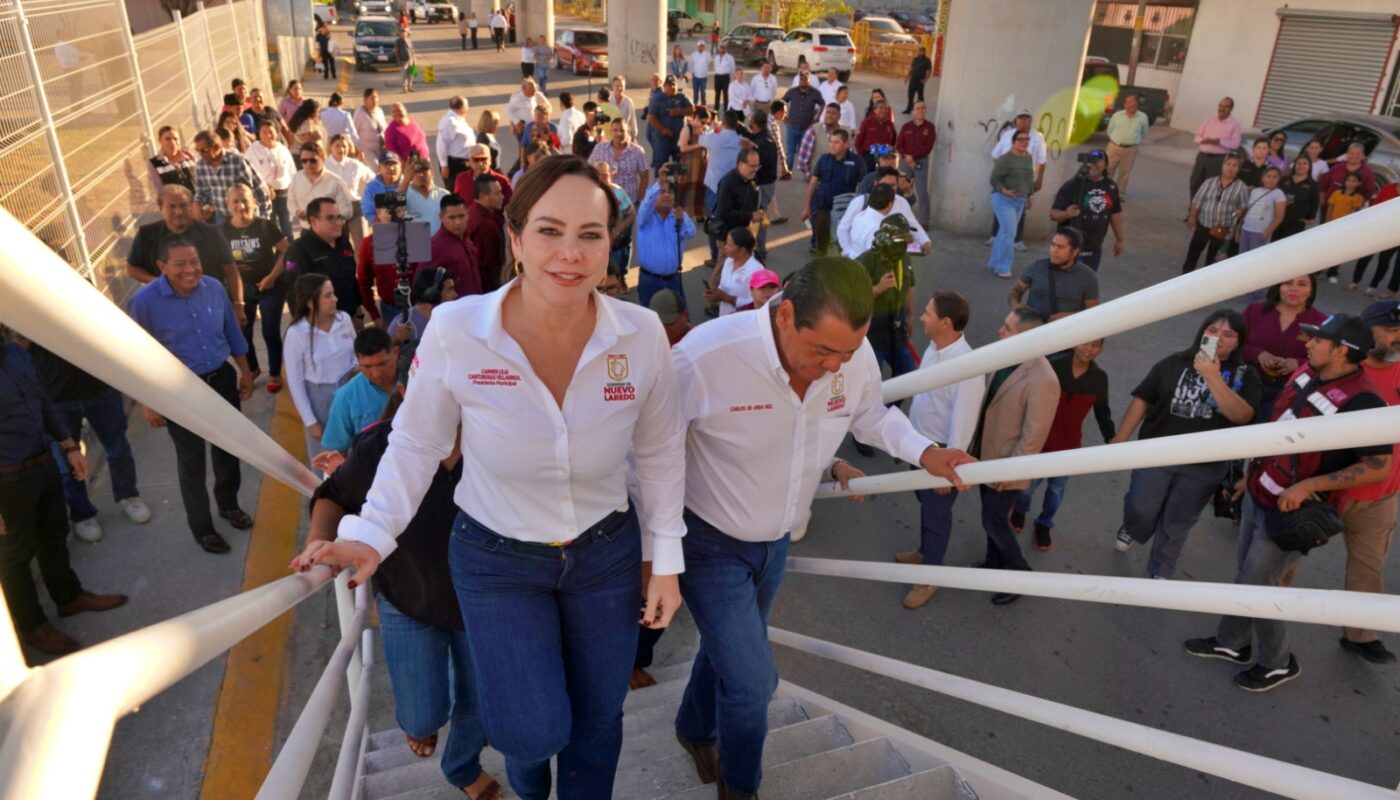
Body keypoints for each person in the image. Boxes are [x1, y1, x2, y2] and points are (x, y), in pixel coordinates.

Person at [292, 156, 686, 800]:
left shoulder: (640, 334)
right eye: (549, 231)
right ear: (515, 239)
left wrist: (663, 558)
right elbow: (416, 441)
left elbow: (662, 451)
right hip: (496, 557)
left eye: (591, 235)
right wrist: (373, 531)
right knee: (532, 733)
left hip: (605, 553)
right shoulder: (457, 330)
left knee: (598, 718)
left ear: (611, 243)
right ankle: (530, 784)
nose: (570, 253)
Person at [668, 258, 974, 798]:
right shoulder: (706, 355)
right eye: (822, 352)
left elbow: (872, 416)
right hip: (710, 540)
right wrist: (656, 549)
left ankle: (694, 729)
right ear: (784, 315)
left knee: (730, 653)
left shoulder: (850, 360)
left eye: (848, 354)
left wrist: (925, 450)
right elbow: (650, 449)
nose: (836, 367)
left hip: (778, 540)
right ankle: (740, 787)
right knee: (752, 681)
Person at [304, 391, 500, 799]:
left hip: (485, 604)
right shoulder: (383, 445)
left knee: (481, 704)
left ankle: (462, 765)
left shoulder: (503, 436)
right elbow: (334, 496)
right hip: (408, 597)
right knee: (421, 712)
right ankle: (423, 722)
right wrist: (318, 543)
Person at [1186, 314, 1388, 692]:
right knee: (1247, 574)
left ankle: (1277, 662)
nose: (1307, 344)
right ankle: (1231, 643)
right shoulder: (1306, 374)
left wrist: (1311, 484)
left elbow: (1379, 466)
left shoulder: (1364, 401)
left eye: (1317, 339)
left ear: (1343, 350)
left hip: (1293, 512)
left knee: (1260, 585)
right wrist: (1251, 475)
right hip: (1260, 490)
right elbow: (1282, 428)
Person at [127, 236, 256, 554]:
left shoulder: (213, 287)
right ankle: (202, 529)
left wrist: (246, 370)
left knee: (229, 449)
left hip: (221, 379)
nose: (190, 269)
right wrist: (148, 402)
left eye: (194, 261)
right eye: (180, 263)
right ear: (162, 266)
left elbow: (231, 332)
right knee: (192, 462)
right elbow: (136, 356)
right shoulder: (144, 302)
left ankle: (228, 505)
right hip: (180, 391)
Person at [0, 336, 128, 657]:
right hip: (6, 480)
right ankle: (33, 627)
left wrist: (69, 445)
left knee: (54, 535)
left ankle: (68, 597)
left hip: (42, 463)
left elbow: (41, 401)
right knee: (13, 558)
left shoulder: (14, 352)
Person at [1111, 310, 1261, 578]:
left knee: (1178, 522)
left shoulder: (1245, 375)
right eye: (1213, 331)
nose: (1219, 338)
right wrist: (1120, 438)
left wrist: (1213, 376)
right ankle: (1133, 527)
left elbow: (1242, 416)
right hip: (1156, 454)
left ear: (1238, 342)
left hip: (1204, 467)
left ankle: (1161, 569)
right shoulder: (1175, 362)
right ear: (1202, 332)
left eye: (1228, 334)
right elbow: (1143, 398)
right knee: (1140, 506)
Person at [14, 335, 150, 544]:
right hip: (56, 395)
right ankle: (82, 515)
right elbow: (19, 347)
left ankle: (128, 496)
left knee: (118, 447)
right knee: (66, 461)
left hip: (99, 388)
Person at [898, 290, 985, 609]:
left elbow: (963, 422)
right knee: (924, 505)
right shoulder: (935, 346)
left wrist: (949, 468)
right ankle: (924, 553)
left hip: (939, 455)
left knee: (937, 516)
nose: (921, 317)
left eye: (927, 313)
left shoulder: (968, 366)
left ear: (945, 323)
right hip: (919, 447)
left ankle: (930, 576)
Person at [969, 307, 1058, 605]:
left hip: (1005, 466)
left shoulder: (1043, 379)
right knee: (990, 517)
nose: (1000, 331)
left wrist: (1010, 472)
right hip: (985, 455)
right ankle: (994, 564)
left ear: (1027, 336)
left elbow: (1033, 435)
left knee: (994, 520)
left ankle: (1019, 574)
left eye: (1007, 328)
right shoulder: (1004, 355)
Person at [1329, 300, 1400, 664]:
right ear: (1366, 328)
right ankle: (1262, 614)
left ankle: (1361, 633)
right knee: (1286, 558)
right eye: (1390, 329)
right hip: (1328, 488)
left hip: (1381, 494)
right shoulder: (1341, 367)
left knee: (1369, 567)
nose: (1396, 337)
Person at [1010, 339, 1116, 551]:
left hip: (1068, 447)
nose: (1089, 349)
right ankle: (1020, 510)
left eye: (1095, 345)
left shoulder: (1099, 379)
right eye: (1086, 343)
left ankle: (1044, 524)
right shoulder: (1052, 367)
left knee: (1056, 492)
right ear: (1076, 343)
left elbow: (1102, 413)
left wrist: (1111, 439)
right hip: (1040, 442)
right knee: (1025, 490)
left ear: (1101, 349)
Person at [127, 185, 243, 321]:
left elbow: (231, 270)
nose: (178, 212)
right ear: (160, 209)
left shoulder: (212, 233)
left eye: (184, 206)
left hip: (210, 305)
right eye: (171, 207)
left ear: (192, 206)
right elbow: (132, 269)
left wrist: (238, 305)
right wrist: (162, 283)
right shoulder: (146, 235)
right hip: (168, 306)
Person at [283, 273, 357, 462]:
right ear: (310, 302)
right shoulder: (296, 333)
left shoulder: (344, 319)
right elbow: (295, 381)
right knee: (326, 460)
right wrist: (311, 421)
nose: (335, 299)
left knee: (356, 453)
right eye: (327, 295)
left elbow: (356, 355)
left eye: (333, 293)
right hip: (321, 401)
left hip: (350, 392)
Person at [223, 184, 288, 393]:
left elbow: (286, 253)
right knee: (242, 331)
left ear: (255, 203)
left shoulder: (266, 226)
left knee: (269, 330)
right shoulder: (221, 231)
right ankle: (252, 368)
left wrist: (272, 277)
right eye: (236, 201)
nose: (241, 205)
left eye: (245, 200)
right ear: (228, 205)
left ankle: (275, 373)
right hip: (240, 291)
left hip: (269, 286)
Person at [1242, 275, 1326, 420]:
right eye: (1287, 283)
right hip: (1245, 382)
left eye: (1302, 284)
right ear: (1278, 286)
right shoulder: (1254, 311)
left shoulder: (1321, 321)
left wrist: (1299, 364)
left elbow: (1328, 360)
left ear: (1311, 290)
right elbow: (1230, 343)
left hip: (1289, 391)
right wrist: (1257, 354)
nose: (1293, 289)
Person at [855, 212, 920, 386]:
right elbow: (852, 299)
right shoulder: (866, 261)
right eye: (901, 237)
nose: (905, 243)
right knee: (870, 384)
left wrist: (909, 316)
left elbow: (909, 286)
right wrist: (878, 288)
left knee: (908, 378)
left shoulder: (904, 258)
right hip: (872, 334)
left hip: (896, 330)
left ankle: (891, 410)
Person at [319, 328, 398, 453]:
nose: (376, 374)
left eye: (382, 364)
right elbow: (336, 451)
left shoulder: (418, 381)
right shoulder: (345, 398)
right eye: (367, 366)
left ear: (395, 352)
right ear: (358, 362)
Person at [285, 197, 361, 320]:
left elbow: (351, 278)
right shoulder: (299, 250)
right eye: (330, 218)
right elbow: (295, 293)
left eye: (339, 217)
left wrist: (358, 311)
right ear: (314, 221)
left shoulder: (343, 242)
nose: (338, 223)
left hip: (350, 317)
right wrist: (306, 325)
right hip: (321, 322)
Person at [1047, 149, 1123, 272]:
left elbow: (1115, 213)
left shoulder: (1111, 187)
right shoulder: (1072, 186)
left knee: (1087, 281)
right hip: (1070, 247)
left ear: (1105, 165)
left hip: (1094, 246)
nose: (1095, 164)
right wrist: (1066, 214)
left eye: (1099, 161)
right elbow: (1053, 214)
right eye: (1092, 161)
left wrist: (1120, 239)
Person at [633, 164, 695, 307]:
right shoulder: (645, 216)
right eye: (662, 192)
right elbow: (647, 202)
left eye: (670, 192)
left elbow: (691, 233)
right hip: (650, 280)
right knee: (650, 321)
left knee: (677, 321)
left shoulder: (678, 214)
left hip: (674, 280)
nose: (667, 195)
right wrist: (659, 183)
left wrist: (682, 221)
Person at [988, 108, 1048, 252]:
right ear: (1016, 120)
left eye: (1026, 118)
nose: (1023, 121)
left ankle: (1017, 239)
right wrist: (1001, 171)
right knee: (1001, 207)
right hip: (1005, 179)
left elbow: (1042, 160)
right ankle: (995, 236)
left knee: (1021, 208)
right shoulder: (1008, 134)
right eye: (1020, 118)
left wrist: (1039, 179)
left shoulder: (1037, 137)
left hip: (1024, 178)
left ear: (1030, 120)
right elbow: (995, 155)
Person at [1182, 154, 1249, 273]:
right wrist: (1192, 217)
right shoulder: (1209, 182)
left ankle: (1207, 279)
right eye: (1228, 164)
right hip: (1203, 223)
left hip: (1222, 228)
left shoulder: (1241, 187)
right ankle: (1185, 274)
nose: (1231, 168)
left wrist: (1241, 210)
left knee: (1212, 256)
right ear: (1223, 166)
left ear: (1238, 169)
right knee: (1194, 250)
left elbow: (1244, 205)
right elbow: (1197, 201)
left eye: (1235, 165)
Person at [801, 129, 863, 256]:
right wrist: (806, 207)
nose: (832, 145)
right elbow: (812, 184)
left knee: (843, 246)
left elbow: (862, 188)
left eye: (836, 142)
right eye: (831, 142)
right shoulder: (823, 159)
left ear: (846, 144)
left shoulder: (857, 162)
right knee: (821, 245)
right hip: (823, 209)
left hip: (844, 212)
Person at [840, 174, 931, 259]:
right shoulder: (877, 228)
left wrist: (923, 240)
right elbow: (883, 254)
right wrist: (918, 248)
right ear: (889, 204)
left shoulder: (860, 216)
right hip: (868, 270)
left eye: (893, 185)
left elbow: (911, 225)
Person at [700, 110, 749, 264]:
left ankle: (716, 257)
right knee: (732, 222)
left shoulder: (715, 138)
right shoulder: (742, 141)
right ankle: (732, 254)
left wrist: (714, 128)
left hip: (714, 188)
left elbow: (702, 139)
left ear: (723, 123)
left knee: (714, 222)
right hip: (735, 188)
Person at [193, 129, 271, 225]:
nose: (201, 154)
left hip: (245, 216)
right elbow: (200, 190)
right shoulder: (201, 165)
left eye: (204, 150)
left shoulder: (238, 161)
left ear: (217, 147)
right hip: (221, 218)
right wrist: (197, 203)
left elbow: (260, 189)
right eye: (197, 150)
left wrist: (264, 218)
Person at [987, 129, 1035, 278]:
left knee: (1004, 232)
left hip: (1020, 199)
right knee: (1009, 232)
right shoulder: (1006, 159)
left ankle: (995, 263)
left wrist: (1030, 195)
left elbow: (1029, 177)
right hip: (1003, 199)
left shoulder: (1028, 157)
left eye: (1027, 139)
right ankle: (1003, 267)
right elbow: (994, 179)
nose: (1024, 142)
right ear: (1014, 141)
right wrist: (1004, 191)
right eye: (1021, 139)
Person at [1347, 180, 1400, 296]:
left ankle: (1373, 286)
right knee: (1365, 256)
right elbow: (1376, 204)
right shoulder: (1389, 187)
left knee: (1384, 261)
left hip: (1395, 234)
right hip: (1378, 228)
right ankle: (1355, 281)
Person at [245, 120, 298, 238]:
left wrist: (293, 190)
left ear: (277, 133)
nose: (268, 135)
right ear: (259, 133)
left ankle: (289, 253)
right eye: (264, 132)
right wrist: (265, 188)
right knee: (269, 226)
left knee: (287, 227)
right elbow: (249, 174)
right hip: (264, 195)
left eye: (271, 132)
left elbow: (292, 171)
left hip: (283, 194)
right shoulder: (252, 150)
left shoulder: (283, 149)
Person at [289, 143, 356, 234]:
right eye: (304, 161)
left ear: (323, 158)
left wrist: (327, 219)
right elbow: (291, 202)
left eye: (313, 161)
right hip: (307, 231)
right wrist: (297, 212)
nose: (308, 164)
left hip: (332, 233)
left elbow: (347, 212)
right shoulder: (296, 178)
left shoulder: (336, 182)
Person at [422, 194, 480, 297]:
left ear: (467, 215)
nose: (458, 222)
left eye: (461, 216)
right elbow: (424, 288)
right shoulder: (435, 247)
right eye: (452, 218)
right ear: (441, 217)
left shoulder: (467, 240)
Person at [389, 267, 457, 349]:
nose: (455, 295)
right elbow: (383, 352)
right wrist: (396, 338)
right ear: (432, 294)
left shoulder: (452, 317)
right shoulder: (403, 322)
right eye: (450, 290)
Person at [1189, 97, 1242, 200]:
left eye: (1226, 107)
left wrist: (1220, 142)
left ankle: (1204, 214)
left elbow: (1235, 144)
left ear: (1231, 109)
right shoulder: (1209, 120)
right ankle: (1192, 213)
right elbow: (1197, 137)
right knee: (1194, 184)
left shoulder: (1235, 124)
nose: (1222, 109)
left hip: (1218, 159)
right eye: (1220, 106)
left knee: (1210, 188)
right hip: (1202, 157)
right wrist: (1203, 140)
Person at [743, 110, 779, 261]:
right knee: (757, 216)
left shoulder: (764, 142)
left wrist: (754, 151)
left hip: (762, 185)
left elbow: (767, 160)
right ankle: (755, 248)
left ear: (755, 124)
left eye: (750, 120)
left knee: (758, 217)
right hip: (765, 184)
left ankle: (758, 250)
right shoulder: (761, 136)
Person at [588, 117, 651, 203]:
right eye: (615, 130)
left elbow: (645, 178)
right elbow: (589, 170)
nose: (618, 133)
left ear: (628, 132)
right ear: (611, 131)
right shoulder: (600, 148)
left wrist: (639, 202)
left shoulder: (637, 151)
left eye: (622, 130)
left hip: (629, 202)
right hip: (606, 201)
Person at [704, 226, 761, 316]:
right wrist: (715, 294)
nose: (725, 247)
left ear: (742, 250)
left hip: (742, 322)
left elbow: (756, 302)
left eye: (729, 245)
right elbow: (723, 287)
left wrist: (727, 298)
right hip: (724, 317)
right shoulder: (728, 261)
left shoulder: (756, 270)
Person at [1321, 173, 1367, 283]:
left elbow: (1353, 212)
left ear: (1359, 183)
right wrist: (1327, 222)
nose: (1350, 183)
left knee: (1339, 251)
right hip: (1332, 224)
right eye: (1348, 180)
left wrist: (1345, 226)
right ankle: (1318, 268)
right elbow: (1330, 207)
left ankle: (1332, 272)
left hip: (1344, 228)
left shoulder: (1358, 197)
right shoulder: (1337, 193)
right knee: (1325, 248)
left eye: (1354, 181)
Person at [466, 172, 507, 294]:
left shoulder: (472, 212)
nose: (502, 197)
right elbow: (488, 265)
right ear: (483, 196)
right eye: (497, 193)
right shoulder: (485, 225)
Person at [896, 100, 934, 225]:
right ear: (912, 112)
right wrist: (906, 158)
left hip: (921, 162)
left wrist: (913, 158)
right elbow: (899, 144)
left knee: (922, 191)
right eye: (917, 108)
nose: (920, 110)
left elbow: (928, 147)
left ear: (926, 110)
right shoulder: (906, 127)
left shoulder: (930, 127)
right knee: (902, 190)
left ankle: (924, 221)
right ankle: (902, 219)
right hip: (905, 161)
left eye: (923, 108)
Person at [645, 75, 693, 173]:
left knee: (680, 165)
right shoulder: (657, 99)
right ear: (664, 86)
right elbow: (652, 118)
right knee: (662, 166)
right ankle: (661, 186)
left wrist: (679, 112)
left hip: (679, 139)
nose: (672, 87)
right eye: (669, 85)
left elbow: (692, 109)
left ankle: (677, 186)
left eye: (674, 85)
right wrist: (663, 130)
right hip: (662, 139)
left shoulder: (682, 97)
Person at [1104, 93, 1149, 196]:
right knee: (1108, 169)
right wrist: (1116, 141)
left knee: (1124, 172)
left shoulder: (1143, 117)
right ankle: (1105, 192)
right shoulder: (1117, 115)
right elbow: (1110, 130)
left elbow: (1143, 132)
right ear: (1124, 105)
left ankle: (1119, 194)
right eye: (1129, 102)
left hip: (1130, 149)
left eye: (1134, 102)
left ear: (1138, 103)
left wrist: (1132, 141)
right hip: (1114, 147)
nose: (1132, 104)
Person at [781, 72, 826, 172]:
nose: (803, 81)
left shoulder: (815, 93)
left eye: (805, 79)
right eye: (801, 79)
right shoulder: (792, 92)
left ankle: (807, 173)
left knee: (806, 152)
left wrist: (816, 119)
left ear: (809, 80)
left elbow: (823, 104)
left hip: (807, 128)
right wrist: (784, 117)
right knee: (790, 151)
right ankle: (788, 171)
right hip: (792, 126)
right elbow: (781, 103)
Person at [1237, 166, 1286, 254]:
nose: (1271, 179)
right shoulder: (1255, 191)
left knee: (1256, 258)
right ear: (1263, 178)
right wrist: (1239, 229)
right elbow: (1248, 211)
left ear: (1279, 179)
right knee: (1242, 256)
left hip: (1260, 232)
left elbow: (1279, 217)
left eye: (1274, 177)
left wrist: (1267, 232)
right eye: (1268, 176)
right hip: (1246, 229)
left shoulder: (1278, 194)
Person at [795, 103, 850, 180]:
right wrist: (811, 177)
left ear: (839, 116)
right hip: (818, 179)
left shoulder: (846, 132)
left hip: (840, 179)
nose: (829, 116)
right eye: (827, 112)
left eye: (833, 113)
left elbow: (851, 154)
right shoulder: (814, 130)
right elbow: (803, 160)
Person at [1273, 154, 1319, 241]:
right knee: (1275, 243)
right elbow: (1275, 194)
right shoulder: (1285, 179)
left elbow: (1315, 202)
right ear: (1294, 165)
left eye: (1305, 163)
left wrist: (1310, 217)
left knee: (1291, 244)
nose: (1301, 166)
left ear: (1309, 166)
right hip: (1280, 218)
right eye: (1298, 163)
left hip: (1298, 220)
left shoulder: (1312, 184)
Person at [453, 143, 512, 209]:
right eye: (476, 160)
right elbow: (456, 203)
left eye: (484, 159)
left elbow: (511, 205)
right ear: (469, 162)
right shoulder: (461, 179)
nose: (480, 163)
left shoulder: (501, 180)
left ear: (490, 160)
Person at [437, 96, 478, 190]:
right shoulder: (450, 122)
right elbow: (441, 144)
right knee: (456, 191)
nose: (469, 108)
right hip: (455, 165)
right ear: (463, 108)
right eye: (467, 106)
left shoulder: (458, 120)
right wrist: (444, 165)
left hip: (464, 163)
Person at [403, 156, 449, 235]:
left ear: (432, 172)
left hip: (440, 244)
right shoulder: (404, 193)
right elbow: (392, 210)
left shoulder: (444, 195)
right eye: (416, 172)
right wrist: (405, 181)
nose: (420, 175)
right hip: (415, 244)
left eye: (424, 171)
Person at [148, 125, 198, 194]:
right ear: (160, 140)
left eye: (175, 139)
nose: (172, 142)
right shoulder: (155, 163)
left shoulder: (190, 157)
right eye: (167, 139)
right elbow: (160, 191)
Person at [854, 97, 897, 172]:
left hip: (885, 156)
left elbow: (894, 140)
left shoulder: (889, 124)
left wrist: (890, 153)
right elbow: (858, 142)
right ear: (875, 110)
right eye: (880, 108)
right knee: (869, 180)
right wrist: (862, 157)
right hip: (869, 156)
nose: (883, 110)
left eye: (885, 108)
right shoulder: (866, 123)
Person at [354, 88, 388, 168]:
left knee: (386, 167)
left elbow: (385, 127)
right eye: (372, 98)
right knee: (376, 168)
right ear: (365, 100)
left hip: (381, 148)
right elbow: (354, 132)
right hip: (366, 149)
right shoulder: (359, 113)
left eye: (376, 97)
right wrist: (357, 149)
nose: (375, 100)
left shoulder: (379, 111)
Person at [609, 76, 639, 142]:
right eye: (617, 86)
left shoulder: (628, 102)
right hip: (611, 138)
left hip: (625, 137)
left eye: (621, 86)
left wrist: (634, 137)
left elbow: (633, 121)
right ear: (612, 87)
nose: (619, 88)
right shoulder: (608, 101)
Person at [903, 48, 932, 114]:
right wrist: (907, 77)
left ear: (924, 52)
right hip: (913, 80)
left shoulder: (927, 61)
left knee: (920, 97)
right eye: (919, 51)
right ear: (918, 52)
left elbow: (929, 71)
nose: (920, 52)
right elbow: (911, 68)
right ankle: (909, 109)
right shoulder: (915, 59)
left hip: (920, 81)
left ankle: (921, 110)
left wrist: (925, 80)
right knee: (910, 96)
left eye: (922, 51)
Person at [712, 43, 735, 109]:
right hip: (717, 77)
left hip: (725, 77)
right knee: (717, 94)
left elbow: (732, 68)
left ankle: (726, 108)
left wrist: (733, 77)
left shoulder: (730, 57)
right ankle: (716, 108)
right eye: (721, 48)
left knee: (725, 94)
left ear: (726, 49)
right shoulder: (716, 57)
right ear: (719, 48)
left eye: (724, 48)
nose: (722, 49)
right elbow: (715, 67)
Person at [396, 27, 416, 93]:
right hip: (403, 61)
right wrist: (398, 61)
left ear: (407, 33)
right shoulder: (398, 41)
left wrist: (414, 60)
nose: (403, 33)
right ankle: (404, 88)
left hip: (410, 60)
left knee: (410, 75)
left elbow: (412, 51)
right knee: (404, 75)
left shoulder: (409, 40)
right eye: (402, 32)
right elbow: (397, 51)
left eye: (404, 32)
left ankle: (410, 87)